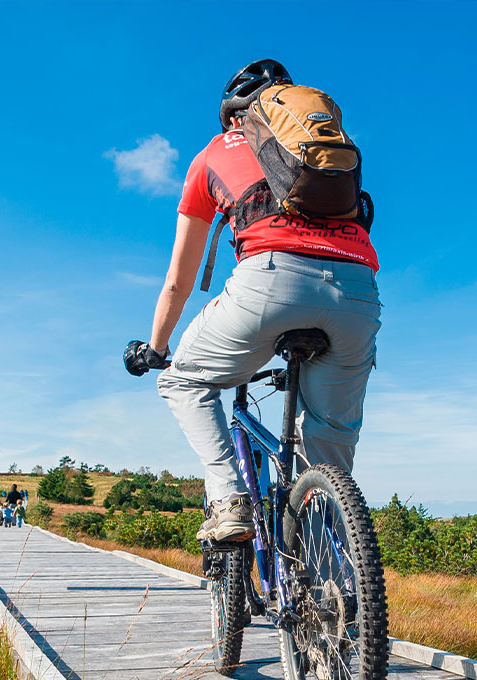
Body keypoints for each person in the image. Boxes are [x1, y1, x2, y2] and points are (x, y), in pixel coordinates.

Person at [124, 59, 381, 543]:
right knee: (327, 443)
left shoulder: (213, 153)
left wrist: (155, 349)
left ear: (231, 117)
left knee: (183, 382)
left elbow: (178, 281)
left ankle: (229, 501)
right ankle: (331, 578)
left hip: (270, 283)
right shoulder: (319, 151)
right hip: (359, 291)